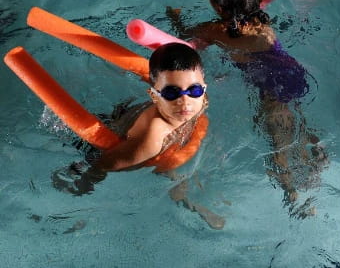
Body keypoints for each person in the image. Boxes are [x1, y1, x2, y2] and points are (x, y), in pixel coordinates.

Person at [167, 0, 327, 218]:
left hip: (270, 87)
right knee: (295, 123)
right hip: (293, 75)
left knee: (278, 146)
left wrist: (174, 16)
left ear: (220, 9)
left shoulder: (216, 31)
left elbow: (185, 38)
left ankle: (293, 196)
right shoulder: (258, 17)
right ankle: (315, 155)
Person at [53, 43, 225, 229]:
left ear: (203, 89)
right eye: (171, 92)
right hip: (106, 147)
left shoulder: (199, 102)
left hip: (129, 119)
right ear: (154, 95)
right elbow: (104, 164)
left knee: (175, 173)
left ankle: (183, 196)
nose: (185, 101)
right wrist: (83, 186)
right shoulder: (152, 139)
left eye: (194, 90)